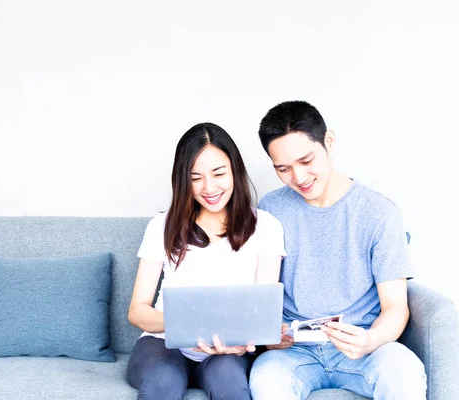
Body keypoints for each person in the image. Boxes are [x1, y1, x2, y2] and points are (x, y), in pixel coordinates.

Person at [248, 101, 427, 400]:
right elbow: (259, 295)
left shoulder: (378, 213)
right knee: (266, 380)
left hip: (364, 350)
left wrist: (370, 340)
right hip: (292, 354)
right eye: (283, 168)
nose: (299, 177)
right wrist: (269, 334)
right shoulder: (270, 210)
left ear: (329, 142)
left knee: (404, 371)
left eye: (306, 161)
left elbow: (396, 307)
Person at [126, 122, 286, 400]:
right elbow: (137, 312)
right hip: (162, 346)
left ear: (235, 170)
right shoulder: (161, 226)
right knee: (165, 379)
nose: (208, 187)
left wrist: (238, 341)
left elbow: (262, 314)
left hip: (227, 351)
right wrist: (188, 324)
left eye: (218, 174)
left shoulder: (267, 227)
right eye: (195, 177)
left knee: (228, 381)